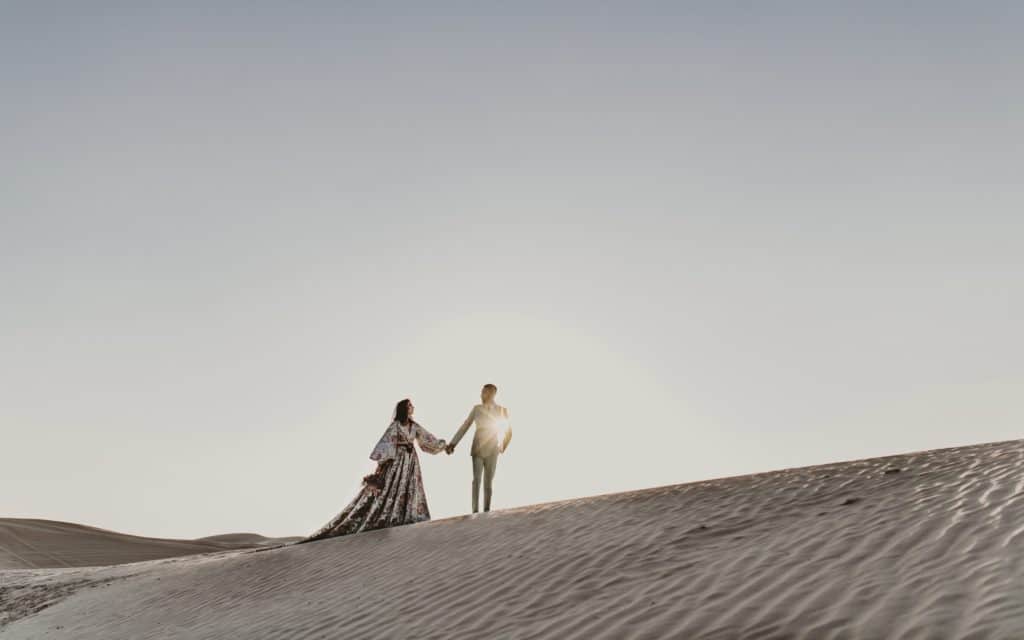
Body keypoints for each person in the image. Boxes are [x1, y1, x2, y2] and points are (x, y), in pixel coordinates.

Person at [303, 398, 447, 541]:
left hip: (411, 461)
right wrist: (382, 465)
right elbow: (386, 444)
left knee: (410, 486)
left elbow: (427, 439)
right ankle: (391, 516)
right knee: (392, 487)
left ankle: (408, 515)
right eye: (410, 405)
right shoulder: (395, 426)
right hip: (397, 460)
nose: (412, 407)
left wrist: (443, 445)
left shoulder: (415, 426)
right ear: (404, 409)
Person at [445, 384, 512, 513]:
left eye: (484, 392)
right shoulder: (477, 409)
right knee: (476, 480)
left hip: (493, 448)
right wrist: (453, 444)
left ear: (492, 394)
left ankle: (487, 511)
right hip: (478, 447)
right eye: (482, 392)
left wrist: (503, 445)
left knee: (489, 482)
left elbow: (509, 430)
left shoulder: (502, 410)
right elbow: (465, 426)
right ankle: (475, 511)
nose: (481, 395)